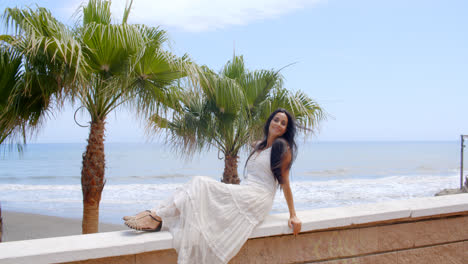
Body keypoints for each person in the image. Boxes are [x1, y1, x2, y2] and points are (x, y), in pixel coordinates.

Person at [123, 108, 302, 264]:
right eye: (276, 119)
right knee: (198, 187)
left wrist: (293, 215)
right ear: (270, 121)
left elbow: (285, 183)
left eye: (283, 123)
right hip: (247, 190)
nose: (278, 124)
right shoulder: (257, 145)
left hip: (258, 197)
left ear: (286, 129)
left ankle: (155, 217)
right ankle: (156, 216)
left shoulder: (282, 148)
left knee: (201, 183)